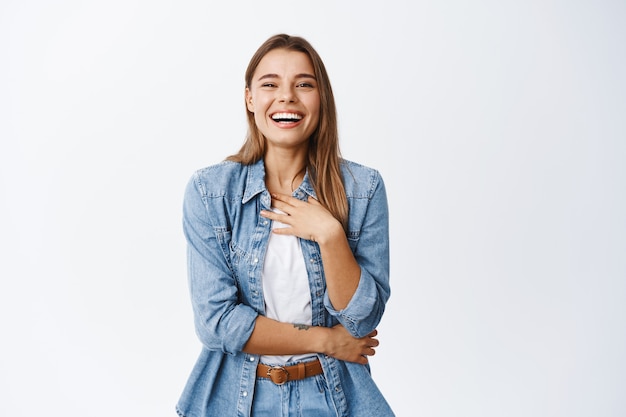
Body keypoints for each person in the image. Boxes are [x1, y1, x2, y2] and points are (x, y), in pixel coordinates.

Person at [176, 33, 394, 417]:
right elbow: (217, 323)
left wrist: (330, 236)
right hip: (238, 399)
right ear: (249, 99)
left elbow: (361, 320)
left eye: (304, 84)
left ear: (320, 99)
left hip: (332, 398)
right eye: (270, 84)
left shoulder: (364, 190)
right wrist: (327, 340)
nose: (287, 96)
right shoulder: (210, 192)